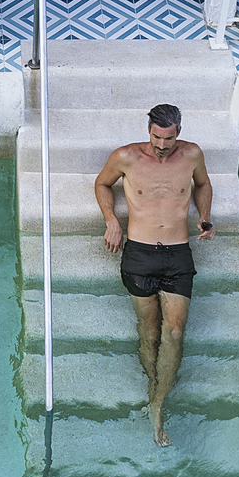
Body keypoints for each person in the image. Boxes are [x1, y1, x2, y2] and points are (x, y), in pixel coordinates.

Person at [92, 103, 214, 448]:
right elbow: (102, 184)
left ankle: (158, 403)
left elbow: (203, 184)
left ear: (179, 132)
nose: (162, 146)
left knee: (174, 332)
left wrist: (205, 217)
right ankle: (153, 387)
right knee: (150, 332)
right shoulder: (127, 157)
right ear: (149, 130)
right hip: (139, 254)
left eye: (169, 138)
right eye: (157, 137)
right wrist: (112, 221)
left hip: (177, 254)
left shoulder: (192, 155)